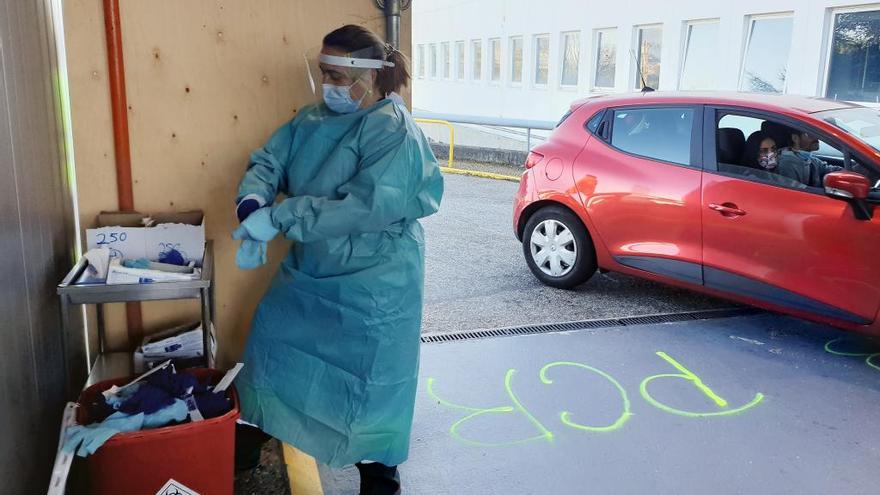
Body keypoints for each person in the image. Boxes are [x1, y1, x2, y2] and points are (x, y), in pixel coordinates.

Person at [232, 24, 444, 495]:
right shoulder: (311, 121)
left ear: (366, 78)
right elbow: (270, 160)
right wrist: (252, 201)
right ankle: (245, 444)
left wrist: (282, 216)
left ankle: (377, 475)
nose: (326, 85)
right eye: (322, 74)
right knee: (272, 348)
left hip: (376, 281)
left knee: (367, 383)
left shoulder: (395, 133)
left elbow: (365, 208)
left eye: (333, 75)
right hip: (312, 268)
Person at [777, 130, 843, 187]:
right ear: (795, 138)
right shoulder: (786, 164)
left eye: (816, 133)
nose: (816, 138)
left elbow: (827, 169)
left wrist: (849, 170)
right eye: (810, 134)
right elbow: (795, 192)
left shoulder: (811, 159)